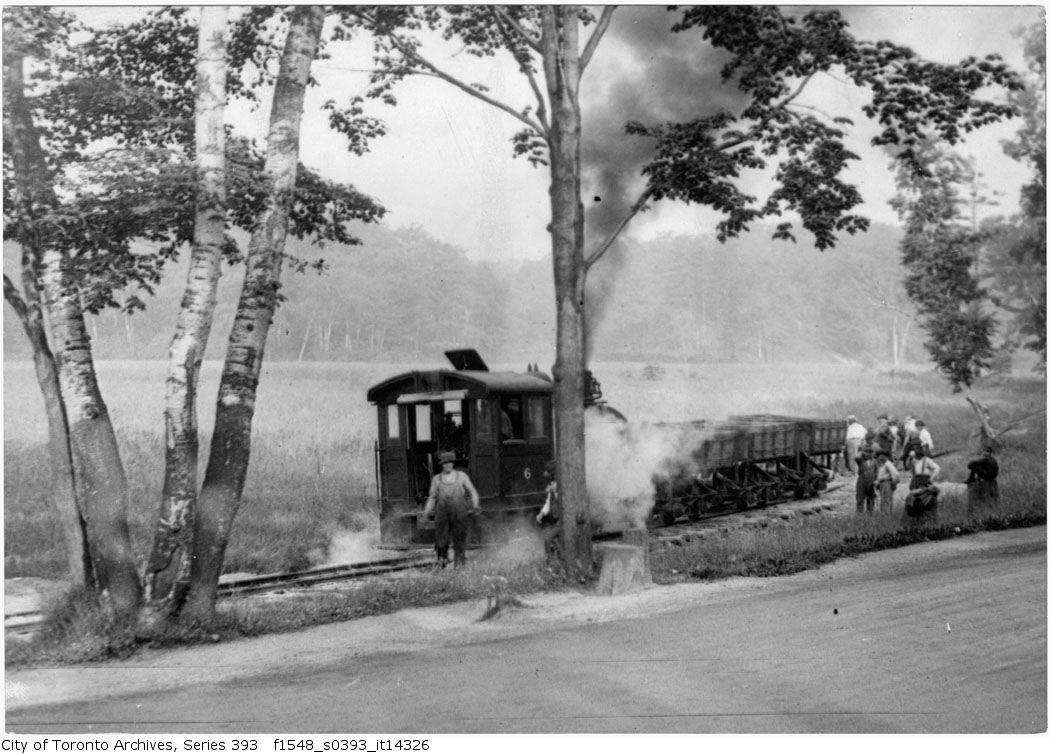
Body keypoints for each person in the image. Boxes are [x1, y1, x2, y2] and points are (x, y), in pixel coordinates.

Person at [423, 451, 481, 567]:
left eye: (450, 462)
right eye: (445, 463)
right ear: (442, 465)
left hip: (459, 514)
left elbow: (472, 491)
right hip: (442, 515)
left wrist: (475, 505)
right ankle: (442, 565)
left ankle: (459, 568)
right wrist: (426, 513)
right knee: (441, 541)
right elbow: (432, 498)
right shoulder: (437, 479)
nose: (448, 465)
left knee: (459, 541)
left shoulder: (462, 476)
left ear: (453, 463)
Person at [904, 446, 940, 522]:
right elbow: (907, 466)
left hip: (925, 482)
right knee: (913, 501)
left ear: (920, 454)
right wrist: (910, 458)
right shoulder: (914, 461)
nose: (916, 456)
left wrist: (931, 478)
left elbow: (937, 468)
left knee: (926, 500)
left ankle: (927, 520)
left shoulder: (927, 461)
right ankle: (915, 521)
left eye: (917, 454)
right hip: (916, 484)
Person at [535, 460, 561, 560]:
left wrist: (554, 490)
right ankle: (554, 560)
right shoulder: (553, 484)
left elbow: (562, 501)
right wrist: (542, 513)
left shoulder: (560, 485)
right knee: (552, 541)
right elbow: (549, 501)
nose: (551, 477)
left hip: (561, 520)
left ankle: (550, 562)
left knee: (548, 540)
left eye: (551, 475)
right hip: (555, 519)